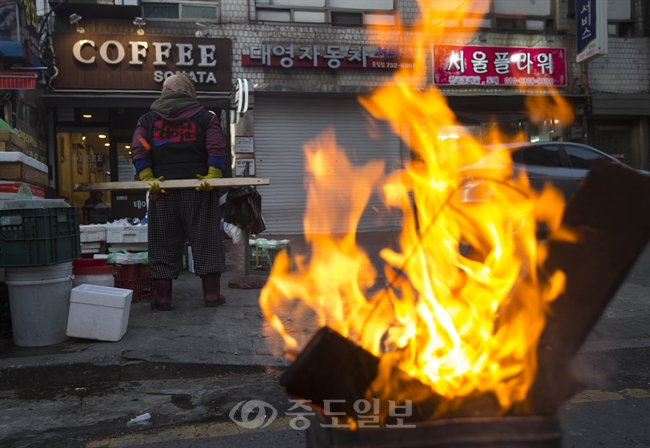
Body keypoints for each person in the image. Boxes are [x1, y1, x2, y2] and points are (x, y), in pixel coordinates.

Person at [131, 73, 227, 311]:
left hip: (162, 190)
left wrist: (147, 177)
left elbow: (139, 148)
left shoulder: (148, 120)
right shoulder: (206, 118)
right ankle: (212, 296)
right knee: (206, 241)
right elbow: (216, 145)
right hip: (199, 189)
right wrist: (213, 174)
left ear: (164, 91)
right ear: (189, 90)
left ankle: (163, 299)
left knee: (163, 243)